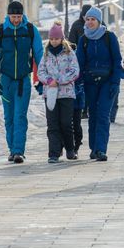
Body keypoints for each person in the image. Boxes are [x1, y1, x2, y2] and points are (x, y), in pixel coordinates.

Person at [0, 1, 44, 164]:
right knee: (9, 117)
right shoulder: (0, 32)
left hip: (23, 80)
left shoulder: (31, 30)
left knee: (20, 115)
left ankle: (19, 151)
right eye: (13, 17)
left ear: (22, 16)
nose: (16, 20)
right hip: (6, 80)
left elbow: (39, 54)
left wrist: (42, 76)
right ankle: (12, 149)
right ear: (8, 16)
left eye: (18, 17)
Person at [76, 7, 123, 161]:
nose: (90, 22)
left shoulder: (109, 37)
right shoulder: (83, 40)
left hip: (107, 83)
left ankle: (101, 149)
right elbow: (79, 64)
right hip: (90, 83)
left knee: (103, 115)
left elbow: (117, 60)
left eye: (93, 19)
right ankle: (93, 148)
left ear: (99, 21)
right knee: (93, 115)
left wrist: (115, 83)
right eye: (88, 19)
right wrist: (80, 83)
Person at [38, 23, 80, 163]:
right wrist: (49, 80)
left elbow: (74, 70)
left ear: (61, 39)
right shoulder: (46, 54)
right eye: (52, 39)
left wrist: (60, 80)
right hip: (50, 94)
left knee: (66, 123)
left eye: (56, 39)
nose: (54, 41)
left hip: (66, 93)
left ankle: (70, 149)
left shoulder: (69, 53)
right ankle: (54, 153)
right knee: (53, 124)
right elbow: (41, 72)